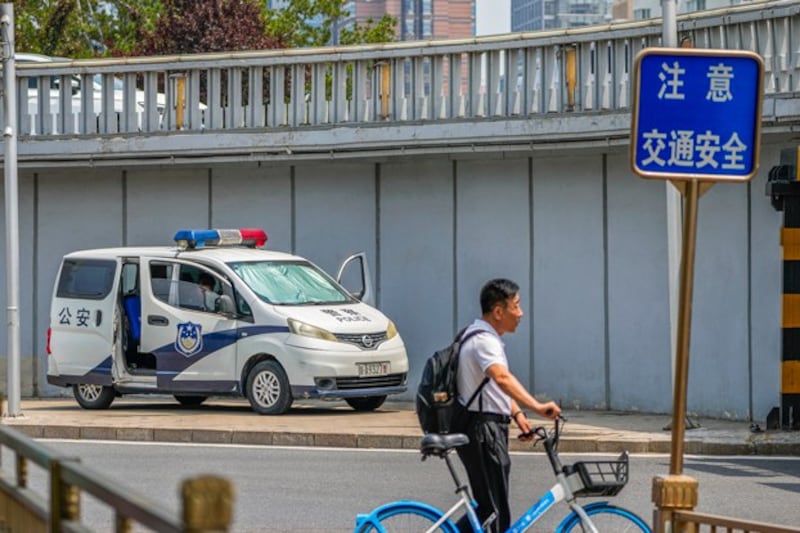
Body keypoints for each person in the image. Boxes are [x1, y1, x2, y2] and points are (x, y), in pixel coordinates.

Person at [455, 278, 561, 533]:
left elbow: (492, 384)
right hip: (482, 430)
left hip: (486, 428)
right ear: (499, 311)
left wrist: (517, 414)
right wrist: (537, 406)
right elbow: (501, 378)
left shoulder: (483, 335)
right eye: (517, 305)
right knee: (493, 511)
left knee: (490, 509)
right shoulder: (484, 341)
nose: (521, 313)